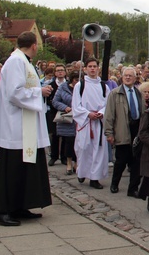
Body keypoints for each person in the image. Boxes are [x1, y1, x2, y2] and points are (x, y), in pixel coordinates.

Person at [0, 31, 53, 226]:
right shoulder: (16, 62)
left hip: (25, 125)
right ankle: (1, 210)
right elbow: (15, 93)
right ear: (34, 45)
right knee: (12, 168)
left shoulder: (23, 61)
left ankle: (18, 206)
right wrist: (39, 91)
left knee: (25, 168)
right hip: (16, 127)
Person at [104, 66, 144, 196]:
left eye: (130, 76)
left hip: (136, 130)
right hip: (122, 130)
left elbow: (143, 113)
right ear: (122, 77)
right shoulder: (115, 94)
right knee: (121, 161)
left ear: (135, 78)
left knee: (136, 162)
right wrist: (109, 133)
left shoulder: (139, 93)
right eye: (125, 75)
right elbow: (109, 115)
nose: (127, 77)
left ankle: (133, 188)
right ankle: (114, 183)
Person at [73, 57, 109, 189]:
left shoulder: (103, 86)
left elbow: (107, 104)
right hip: (86, 122)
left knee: (98, 150)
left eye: (95, 66)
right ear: (85, 69)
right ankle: (82, 171)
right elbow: (76, 105)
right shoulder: (80, 86)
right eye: (90, 66)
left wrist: (102, 112)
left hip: (98, 122)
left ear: (98, 69)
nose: (93, 69)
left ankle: (95, 178)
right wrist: (88, 114)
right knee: (84, 148)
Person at [52, 71, 79, 176]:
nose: (77, 82)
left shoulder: (83, 88)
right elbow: (55, 101)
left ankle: (77, 163)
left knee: (78, 141)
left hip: (79, 119)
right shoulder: (63, 88)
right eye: (75, 80)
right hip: (68, 118)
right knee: (69, 141)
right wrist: (65, 107)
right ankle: (68, 162)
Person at [46, 64, 68, 167]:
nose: (60, 72)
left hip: (67, 112)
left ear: (65, 72)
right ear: (55, 73)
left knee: (65, 135)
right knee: (54, 135)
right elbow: (49, 100)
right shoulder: (51, 85)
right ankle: (54, 156)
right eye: (58, 70)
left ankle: (64, 157)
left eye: (62, 70)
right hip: (54, 112)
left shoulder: (68, 84)